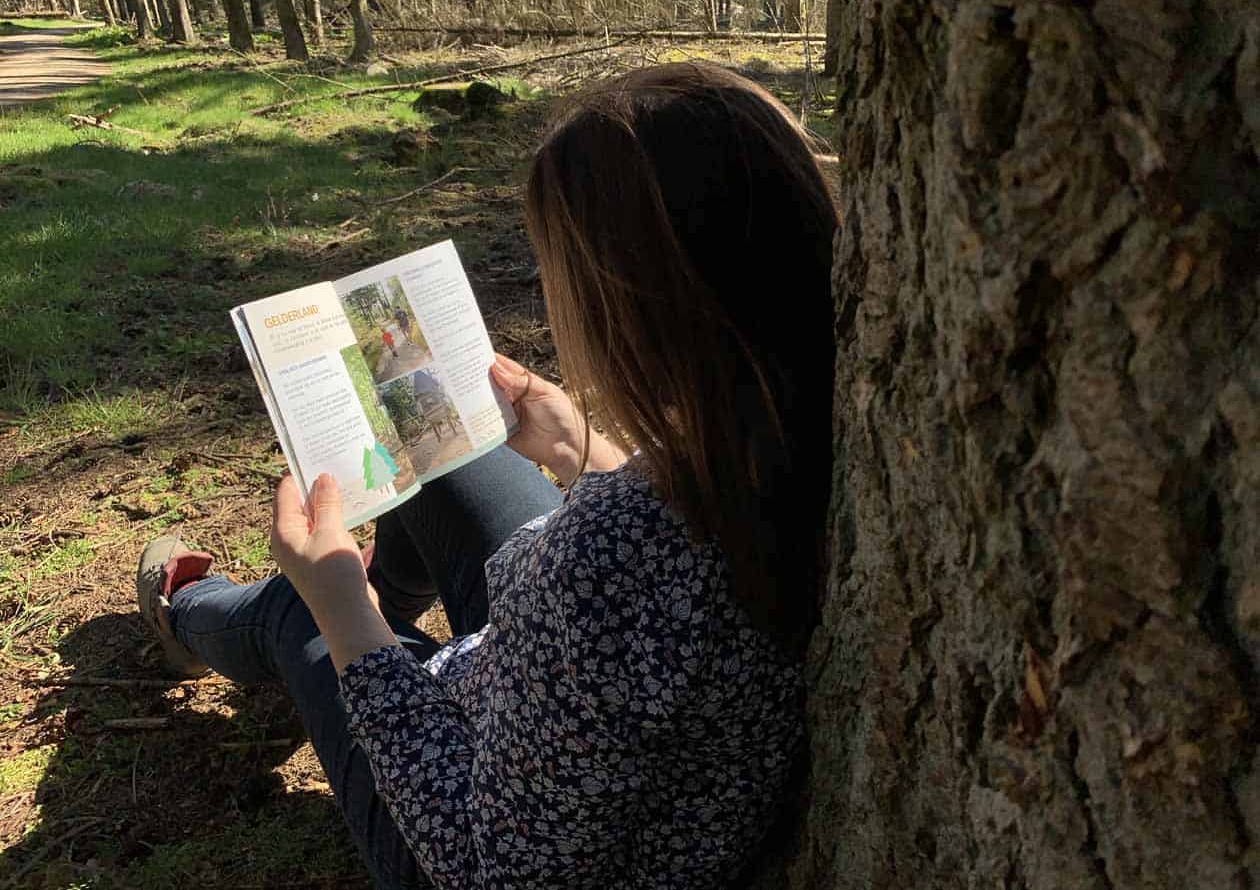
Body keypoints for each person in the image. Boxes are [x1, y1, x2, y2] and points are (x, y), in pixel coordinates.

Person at [136, 62, 838, 890]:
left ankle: (185, 615)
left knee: (301, 608)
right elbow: (681, 546)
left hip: (465, 820)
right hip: (555, 704)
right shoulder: (812, 427)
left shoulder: (600, 565)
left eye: (557, 274)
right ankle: (385, 608)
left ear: (631, 311)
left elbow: (483, 866)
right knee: (440, 444)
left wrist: (342, 612)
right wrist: (580, 448)